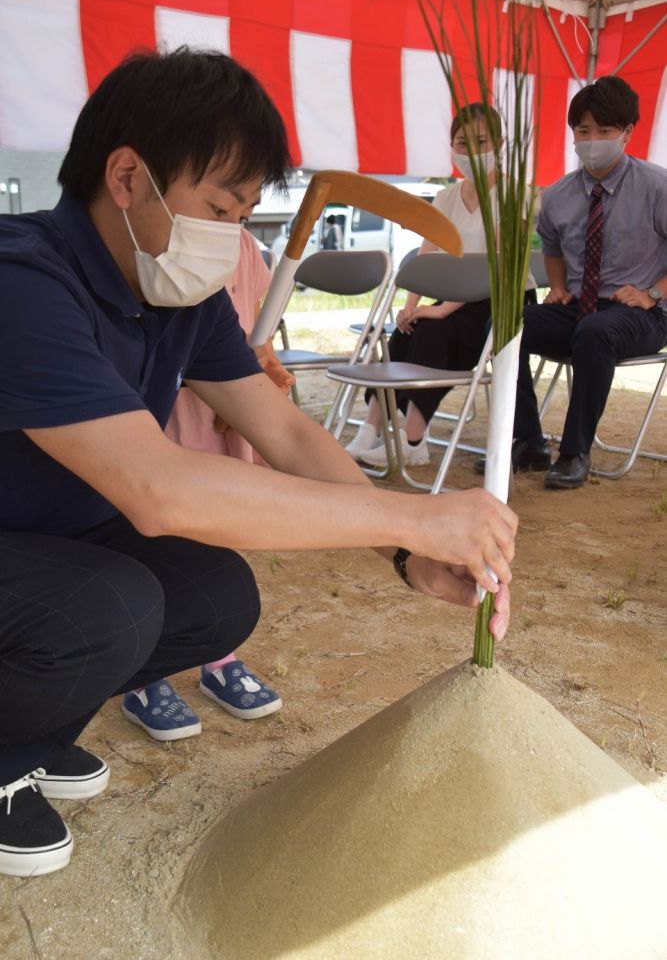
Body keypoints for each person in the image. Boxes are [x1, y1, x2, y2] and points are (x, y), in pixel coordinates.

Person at [0, 47, 516, 878]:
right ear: (127, 175)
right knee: (109, 608)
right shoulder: (22, 281)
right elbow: (159, 489)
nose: (230, 241)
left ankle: (23, 738)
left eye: (244, 215)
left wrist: (405, 548)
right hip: (31, 554)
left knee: (214, 595)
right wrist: (413, 512)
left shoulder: (175, 294)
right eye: (217, 208)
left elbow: (286, 434)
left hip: (43, 544)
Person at [121, 229, 295, 739]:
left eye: (248, 206)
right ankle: (145, 676)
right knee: (163, 528)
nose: (238, 216)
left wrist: (265, 367)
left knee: (217, 532)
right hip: (171, 408)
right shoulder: (157, 240)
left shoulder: (240, 246)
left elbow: (253, 327)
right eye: (226, 205)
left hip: (229, 404)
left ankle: (220, 656)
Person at [498, 75, 667, 489]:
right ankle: (528, 440)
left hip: (640, 313)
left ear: (627, 132)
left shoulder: (657, 187)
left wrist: (653, 293)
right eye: (583, 131)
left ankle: (575, 452)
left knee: (595, 331)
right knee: (507, 324)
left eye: (604, 131)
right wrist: (557, 285)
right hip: (580, 308)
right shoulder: (556, 195)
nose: (592, 140)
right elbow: (552, 246)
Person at [346, 104, 535, 467]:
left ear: (499, 144)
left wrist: (442, 307)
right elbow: (427, 256)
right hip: (455, 290)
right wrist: (411, 305)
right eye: (462, 143)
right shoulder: (446, 196)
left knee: (436, 330)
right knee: (407, 329)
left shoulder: (514, 193)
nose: (471, 151)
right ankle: (368, 431)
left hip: (500, 296)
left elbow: (495, 261)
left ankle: (414, 440)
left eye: (481, 142)